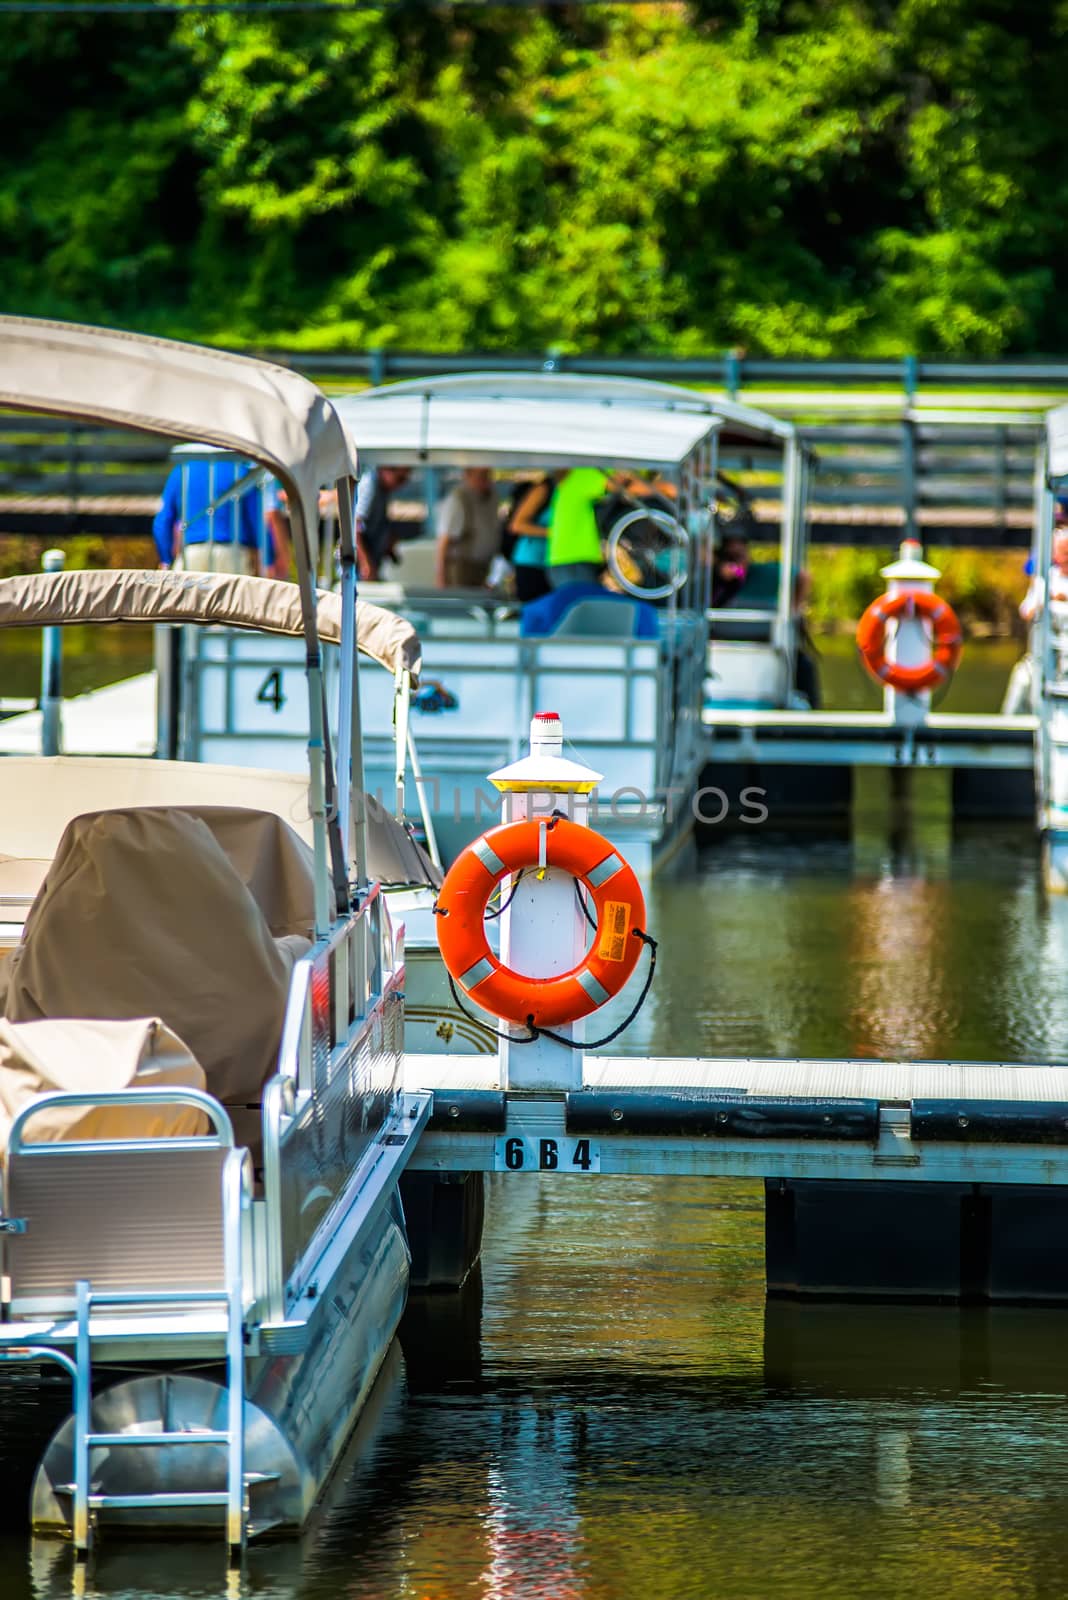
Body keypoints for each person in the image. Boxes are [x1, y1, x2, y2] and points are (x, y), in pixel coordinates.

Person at [545, 466, 657, 588]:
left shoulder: (577, 475)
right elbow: (624, 487)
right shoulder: (586, 473)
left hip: (571, 558)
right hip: (573, 559)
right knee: (585, 603)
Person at [152, 454, 262, 574]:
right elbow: (257, 521)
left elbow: (162, 521)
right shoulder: (241, 470)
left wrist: (167, 559)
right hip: (232, 554)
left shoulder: (182, 471)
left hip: (191, 553)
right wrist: (269, 556)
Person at [434, 468, 502, 588]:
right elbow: (444, 541)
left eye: (488, 475)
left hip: (485, 566)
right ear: (467, 475)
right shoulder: (458, 499)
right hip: (462, 567)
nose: (487, 480)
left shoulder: (492, 496)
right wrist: (441, 579)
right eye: (481, 476)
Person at [354, 466, 414, 580]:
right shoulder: (370, 486)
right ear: (385, 470)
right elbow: (355, 526)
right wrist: (365, 563)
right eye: (400, 479)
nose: (402, 485)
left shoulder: (383, 490)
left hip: (371, 562)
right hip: (357, 569)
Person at [507, 473, 558, 603]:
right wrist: (554, 533)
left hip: (553, 563)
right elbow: (517, 525)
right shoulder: (545, 489)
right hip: (531, 563)